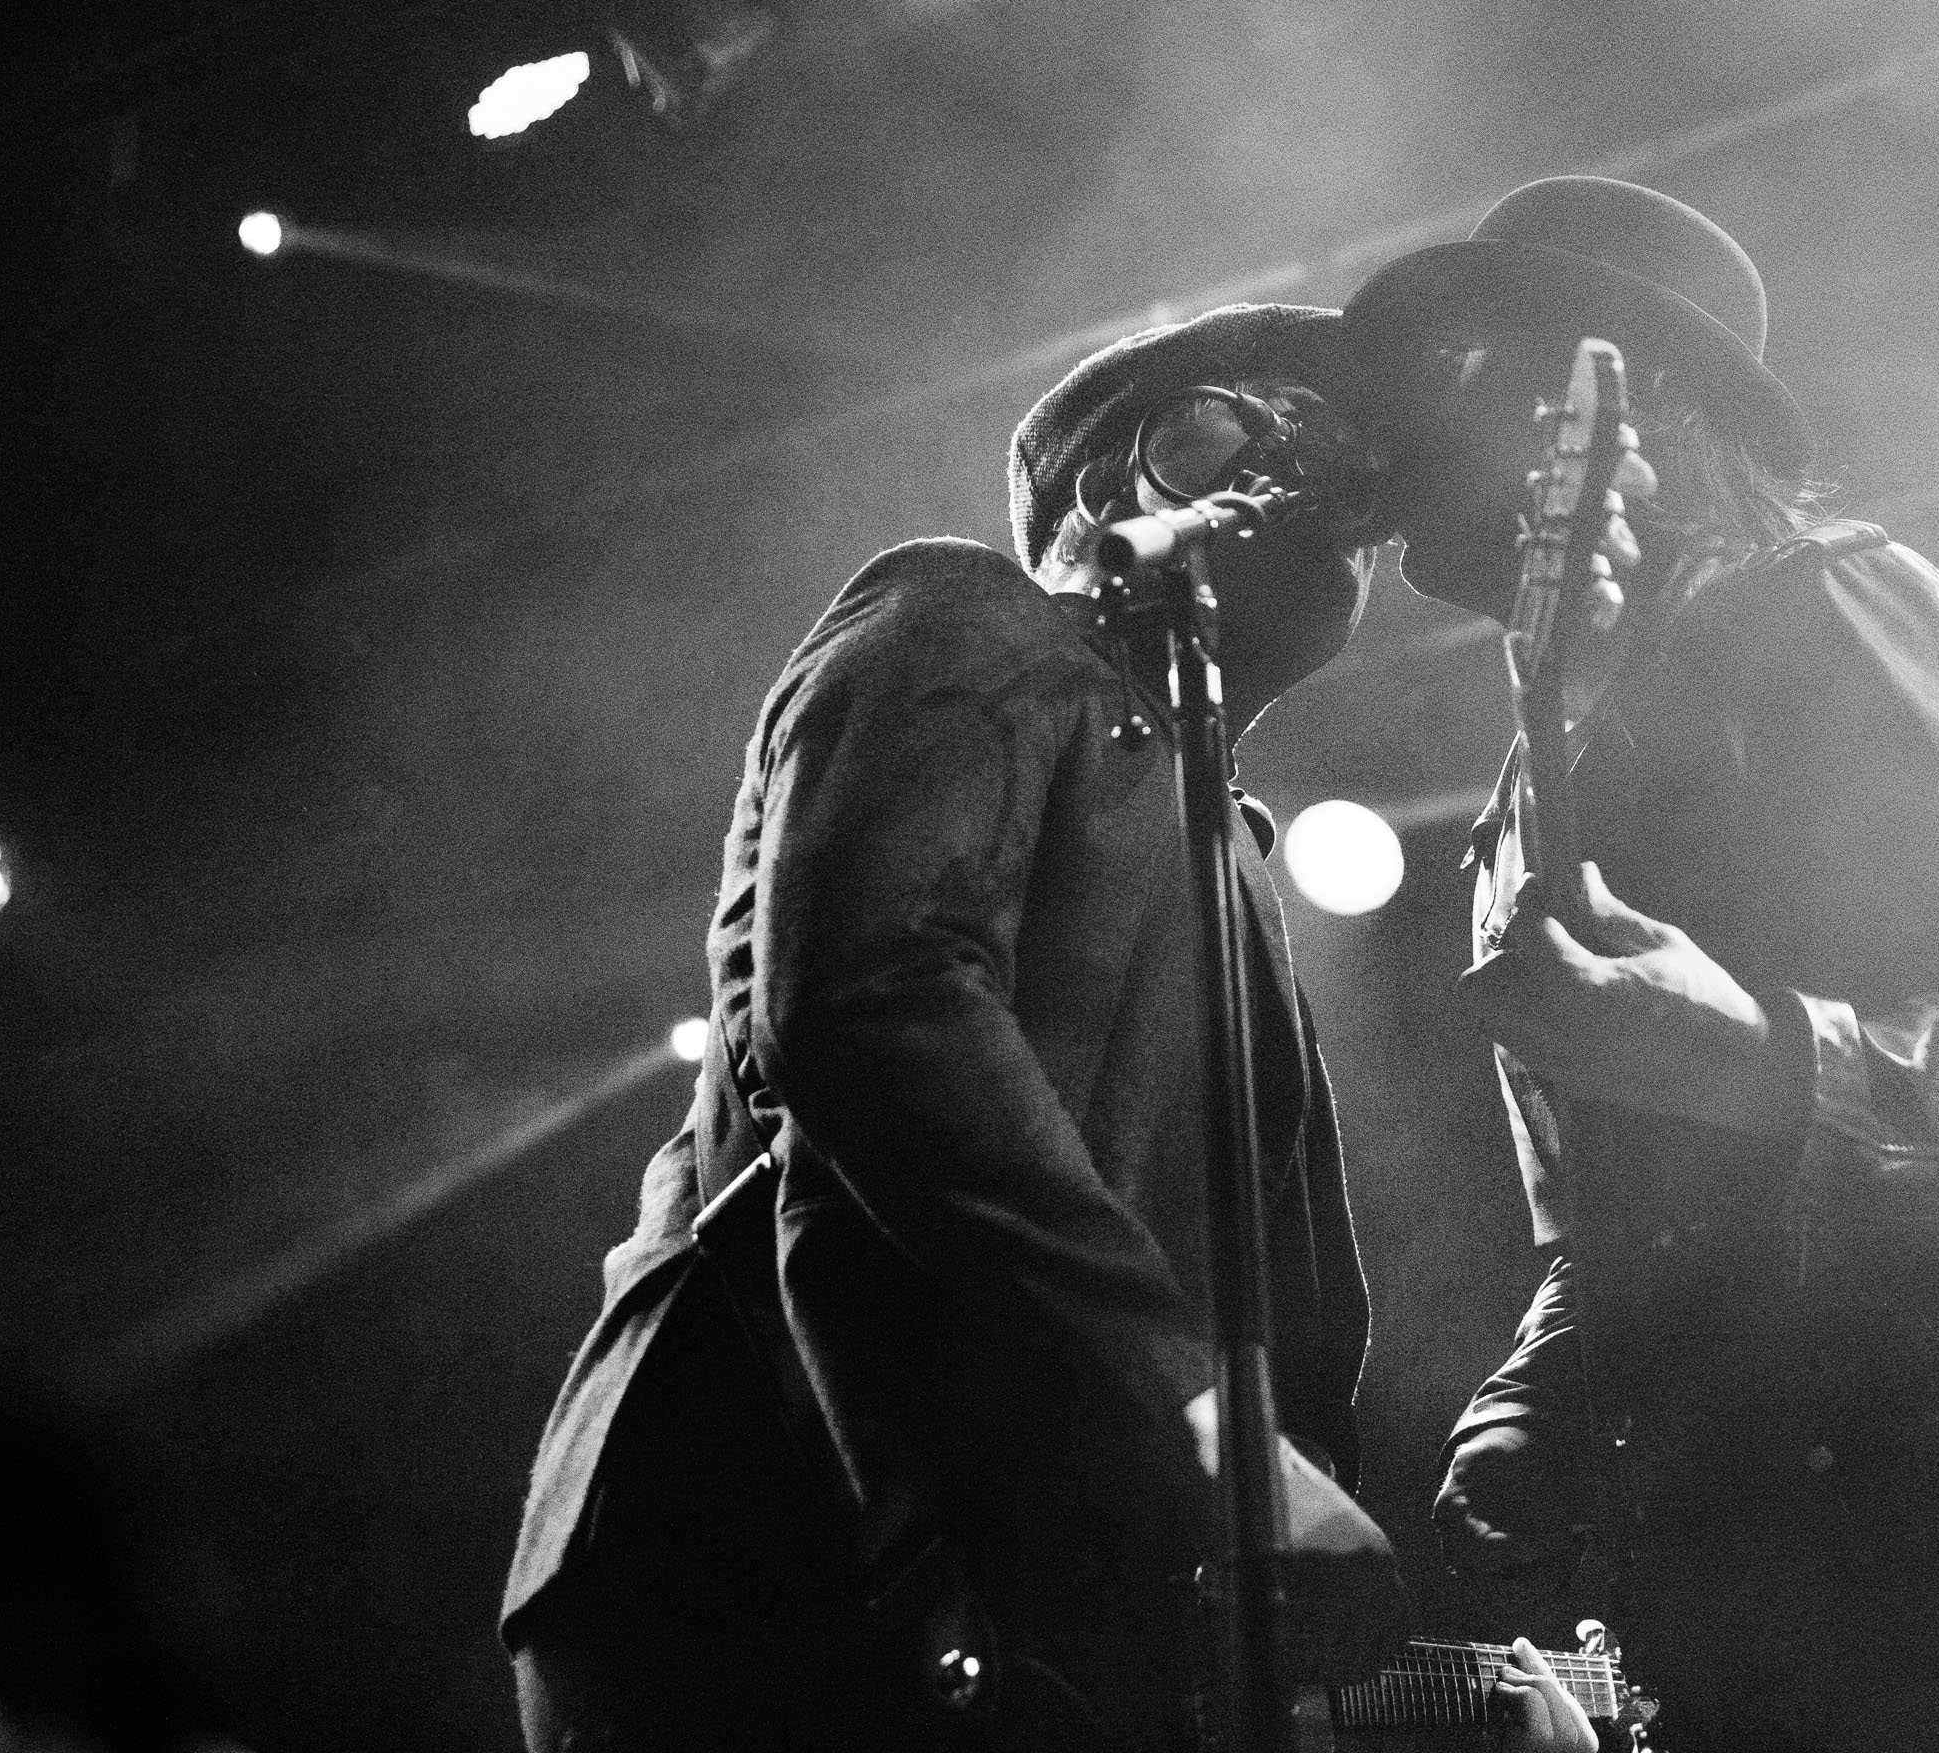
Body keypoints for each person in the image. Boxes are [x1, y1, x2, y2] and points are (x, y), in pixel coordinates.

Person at [1337, 178, 1939, 1753]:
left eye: (1466, 370)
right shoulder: (1520, 804)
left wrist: (1773, 1057)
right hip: (1763, 1565)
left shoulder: (1833, 604)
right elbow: (1631, 1213)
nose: (1405, 424)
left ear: (1617, 403)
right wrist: (1532, 1398)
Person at [498, 304, 1411, 1753]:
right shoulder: (970, 617)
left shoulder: (1225, 838)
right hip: (789, 1562)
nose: (1352, 500)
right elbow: (875, 1001)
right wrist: (1202, 1424)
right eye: (1281, 418)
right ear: (1139, 473)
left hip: (1017, 1595)